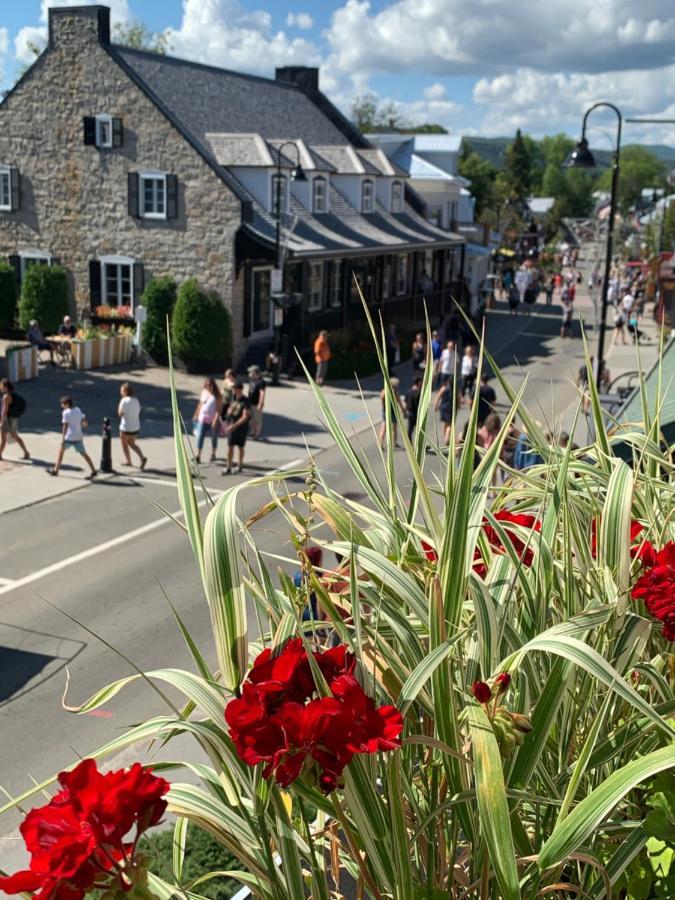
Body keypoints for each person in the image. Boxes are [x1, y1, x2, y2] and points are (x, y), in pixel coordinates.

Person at [47, 395, 97, 478]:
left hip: (69, 437)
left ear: (66, 404)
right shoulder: (77, 410)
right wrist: (85, 423)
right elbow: (83, 418)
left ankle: (56, 470)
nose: (61, 406)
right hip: (78, 436)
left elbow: (65, 426)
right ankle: (94, 470)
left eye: (62, 404)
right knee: (84, 453)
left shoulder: (66, 413)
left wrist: (62, 438)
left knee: (61, 452)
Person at [223, 381, 251, 474]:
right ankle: (228, 467)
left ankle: (240, 465)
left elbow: (245, 417)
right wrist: (228, 412)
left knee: (240, 447)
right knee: (230, 447)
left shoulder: (245, 401)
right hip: (232, 426)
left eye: (235, 389)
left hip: (241, 428)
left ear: (240, 389)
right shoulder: (234, 398)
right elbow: (230, 409)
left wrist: (234, 426)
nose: (233, 390)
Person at [193, 378, 222, 464]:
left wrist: (215, 421)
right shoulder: (204, 393)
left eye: (210, 385)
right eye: (206, 385)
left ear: (213, 386)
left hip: (212, 420)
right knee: (200, 436)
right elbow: (200, 404)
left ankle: (213, 454)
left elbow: (218, 410)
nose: (208, 387)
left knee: (213, 438)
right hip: (203, 419)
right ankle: (198, 455)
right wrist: (196, 414)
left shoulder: (217, 396)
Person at [117, 382, 147, 469]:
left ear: (126, 392)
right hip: (135, 427)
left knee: (124, 444)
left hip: (125, 427)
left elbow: (120, 413)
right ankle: (142, 457)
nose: (121, 393)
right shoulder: (136, 400)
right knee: (132, 443)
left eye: (122, 391)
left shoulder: (124, 401)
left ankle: (128, 461)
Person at [0, 378, 30, 462]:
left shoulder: (6, 396)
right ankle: (26, 452)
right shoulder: (12, 394)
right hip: (13, 419)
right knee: (15, 436)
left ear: (5, 387)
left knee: (3, 438)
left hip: (7, 419)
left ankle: (0, 454)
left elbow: (4, 411)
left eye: (1, 385)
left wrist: (2, 422)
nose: (0, 387)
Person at [378, 377, 405, 449]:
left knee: (383, 428)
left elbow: (382, 400)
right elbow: (400, 403)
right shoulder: (395, 393)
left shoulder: (383, 392)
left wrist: (384, 407)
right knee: (394, 428)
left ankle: (380, 443)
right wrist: (404, 411)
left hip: (385, 411)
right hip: (393, 412)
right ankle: (395, 443)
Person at [434, 377, 456, 445]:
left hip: (443, 408)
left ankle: (445, 437)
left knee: (445, 423)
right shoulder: (455, 389)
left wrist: (436, 406)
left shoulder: (444, 388)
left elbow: (438, 396)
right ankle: (446, 438)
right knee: (449, 424)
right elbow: (458, 399)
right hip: (450, 408)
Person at [247, 365, 266, 440]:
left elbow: (262, 393)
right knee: (251, 419)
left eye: (251, 371)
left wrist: (260, 403)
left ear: (255, 372)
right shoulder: (252, 380)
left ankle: (257, 434)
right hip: (250, 403)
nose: (249, 373)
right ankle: (253, 431)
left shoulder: (261, 382)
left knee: (258, 419)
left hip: (256, 403)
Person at [404, 375, 423, 442]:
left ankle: (410, 445)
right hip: (417, 414)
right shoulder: (419, 392)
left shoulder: (408, 392)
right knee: (421, 431)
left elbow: (406, 403)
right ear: (418, 383)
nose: (422, 384)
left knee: (410, 430)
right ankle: (420, 445)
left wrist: (405, 412)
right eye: (421, 382)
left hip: (410, 414)